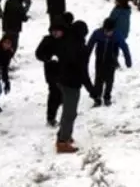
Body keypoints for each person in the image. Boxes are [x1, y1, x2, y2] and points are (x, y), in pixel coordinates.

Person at [53, 20, 94, 154]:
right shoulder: (80, 47)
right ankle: (62, 142)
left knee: (68, 111)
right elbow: (83, 70)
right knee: (69, 113)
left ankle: (63, 136)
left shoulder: (67, 41)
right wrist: (91, 89)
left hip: (63, 80)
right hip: (71, 83)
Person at [35, 19, 67, 127]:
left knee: (62, 93)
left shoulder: (66, 40)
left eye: (57, 31)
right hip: (51, 73)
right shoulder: (47, 40)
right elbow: (38, 53)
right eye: (53, 31)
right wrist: (47, 58)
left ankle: (61, 108)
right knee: (54, 95)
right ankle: (51, 118)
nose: (55, 33)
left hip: (64, 72)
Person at [90, 19, 129, 107]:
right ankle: (97, 98)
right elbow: (90, 44)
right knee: (98, 79)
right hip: (99, 61)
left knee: (109, 80)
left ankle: (107, 97)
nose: (108, 33)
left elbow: (124, 47)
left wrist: (128, 60)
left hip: (111, 61)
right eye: (106, 31)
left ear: (113, 29)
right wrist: (86, 57)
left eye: (110, 31)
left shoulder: (117, 35)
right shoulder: (98, 33)